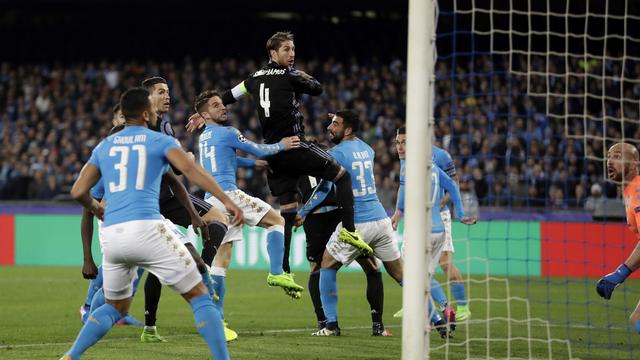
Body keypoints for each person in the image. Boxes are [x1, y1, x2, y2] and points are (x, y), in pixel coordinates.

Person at [60, 87, 243, 360]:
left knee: (115, 307)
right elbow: (192, 172)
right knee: (201, 296)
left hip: (112, 237)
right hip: (146, 229)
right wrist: (227, 201)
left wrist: (96, 207)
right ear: (145, 114)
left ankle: (71, 356)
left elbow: (77, 192)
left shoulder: (105, 146)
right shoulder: (158, 141)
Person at [186, 32, 370, 267]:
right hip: (292, 144)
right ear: (273, 53)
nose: (292, 54)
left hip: (275, 155)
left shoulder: (253, 78)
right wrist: (300, 74)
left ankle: (284, 268)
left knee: (288, 210)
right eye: (286, 49)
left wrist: (203, 113)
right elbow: (317, 89)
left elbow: (230, 95)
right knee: (341, 176)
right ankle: (349, 231)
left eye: (293, 49)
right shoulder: (289, 75)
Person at [193, 90, 305, 339]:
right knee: (276, 221)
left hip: (212, 201)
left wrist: (250, 164)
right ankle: (276, 271)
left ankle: (218, 322)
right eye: (215, 105)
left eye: (222, 104)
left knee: (222, 260)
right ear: (204, 114)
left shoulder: (205, 137)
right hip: (229, 195)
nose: (223, 107)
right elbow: (260, 149)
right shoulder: (229, 132)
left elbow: (224, 160)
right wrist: (283, 145)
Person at [293, 111, 402, 336]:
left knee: (324, 266)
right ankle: (431, 316)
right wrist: (343, 119)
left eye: (335, 124)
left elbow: (323, 189)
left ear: (348, 129)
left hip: (352, 220)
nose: (329, 128)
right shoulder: (369, 150)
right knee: (386, 271)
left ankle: (329, 324)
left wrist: (302, 211)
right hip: (380, 217)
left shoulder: (333, 155)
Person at [140, 77, 231, 342]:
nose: (167, 96)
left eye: (168, 92)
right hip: (148, 202)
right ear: (147, 98)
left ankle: (203, 269)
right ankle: (149, 326)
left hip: (169, 196)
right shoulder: (143, 126)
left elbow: (174, 170)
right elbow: (176, 167)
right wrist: (187, 160)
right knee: (155, 266)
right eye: (160, 92)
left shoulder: (165, 124)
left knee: (217, 219)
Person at [391, 126, 472, 322]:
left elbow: (454, 182)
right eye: (398, 143)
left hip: (438, 215)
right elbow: (404, 189)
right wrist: (398, 214)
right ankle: (416, 305)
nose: (400, 147)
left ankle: (462, 307)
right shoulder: (405, 159)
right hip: (416, 218)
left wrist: (441, 202)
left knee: (443, 263)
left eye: (404, 142)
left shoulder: (441, 156)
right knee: (409, 266)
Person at [596, 142, 640, 333]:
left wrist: (619, 274)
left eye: (618, 156)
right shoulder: (630, 191)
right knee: (636, 319)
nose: (610, 161)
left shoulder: (637, 192)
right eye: (609, 156)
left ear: (634, 163)